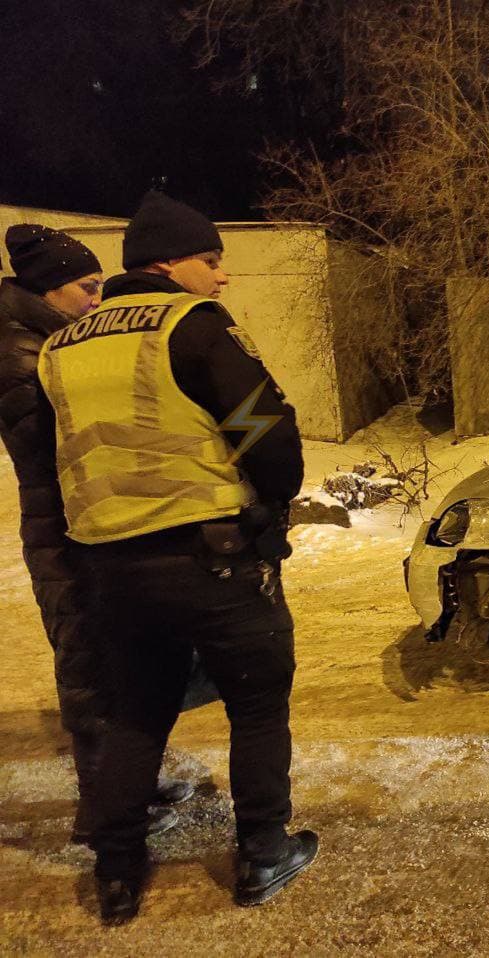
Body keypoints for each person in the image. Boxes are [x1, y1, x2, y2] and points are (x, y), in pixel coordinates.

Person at [36, 191, 317, 924]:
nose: (222, 277)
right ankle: (262, 853)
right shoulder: (191, 326)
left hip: (109, 570)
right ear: (169, 263)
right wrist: (273, 507)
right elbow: (265, 426)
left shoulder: (62, 343)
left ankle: (119, 875)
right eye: (212, 261)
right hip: (209, 557)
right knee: (257, 703)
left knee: (135, 715)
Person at [0, 225, 195, 849]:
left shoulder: (42, 338)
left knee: (116, 654)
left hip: (84, 516)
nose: (96, 298)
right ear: (50, 289)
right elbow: (49, 442)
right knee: (85, 657)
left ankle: (127, 786)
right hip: (62, 528)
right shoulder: (19, 350)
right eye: (87, 287)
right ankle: (102, 811)